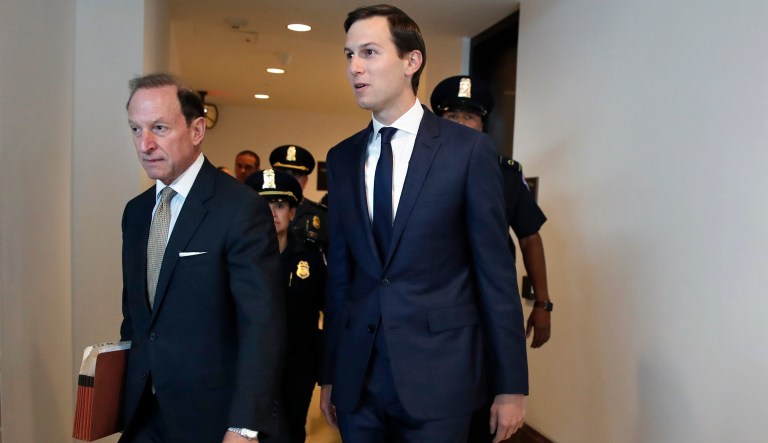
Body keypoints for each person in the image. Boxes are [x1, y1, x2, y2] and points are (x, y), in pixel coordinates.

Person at [319, 5, 528, 443]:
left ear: (411, 62)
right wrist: (331, 374)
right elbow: (339, 276)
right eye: (349, 54)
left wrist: (511, 386)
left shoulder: (467, 152)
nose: (355, 67)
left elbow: (495, 275)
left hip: (442, 378)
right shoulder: (342, 158)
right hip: (359, 381)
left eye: (370, 52)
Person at [120, 73, 284, 443]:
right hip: (143, 416)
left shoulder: (240, 208)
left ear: (196, 130)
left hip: (211, 417)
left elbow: (262, 325)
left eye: (159, 128)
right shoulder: (136, 212)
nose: (145, 144)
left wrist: (244, 425)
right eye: (135, 129)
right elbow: (136, 318)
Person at [431, 76, 552, 442]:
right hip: (433, 305)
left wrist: (543, 303)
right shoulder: (418, 170)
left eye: (469, 117)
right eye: (451, 116)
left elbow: (530, 237)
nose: (461, 125)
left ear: (483, 124)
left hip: (487, 307)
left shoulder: (504, 173)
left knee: (486, 409)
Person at [246, 169, 327, 443]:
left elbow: (329, 311)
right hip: (249, 368)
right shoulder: (239, 257)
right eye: (264, 205)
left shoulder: (311, 258)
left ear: (293, 212)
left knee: (291, 433)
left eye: (280, 205)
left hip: (296, 366)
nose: (272, 213)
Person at [269, 145, 328, 251]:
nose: (289, 181)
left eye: (295, 176)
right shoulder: (261, 211)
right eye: (283, 175)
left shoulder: (322, 215)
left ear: (305, 181)